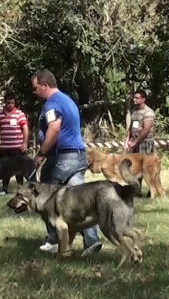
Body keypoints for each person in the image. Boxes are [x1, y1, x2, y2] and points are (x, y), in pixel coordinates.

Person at [31, 69, 103, 256]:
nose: (35, 92)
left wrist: (41, 153)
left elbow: (54, 128)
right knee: (81, 200)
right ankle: (92, 241)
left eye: (36, 88)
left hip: (61, 158)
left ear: (45, 85)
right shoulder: (68, 100)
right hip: (79, 156)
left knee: (43, 195)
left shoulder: (52, 104)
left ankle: (54, 239)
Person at [0, 93, 29, 195]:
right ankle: (4, 189)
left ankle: (21, 189)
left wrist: (24, 143)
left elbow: (25, 129)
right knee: (4, 170)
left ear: (15, 103)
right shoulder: (0, 115)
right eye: (8, 103)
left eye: (12, 103)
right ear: (5, 103)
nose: (10, 105)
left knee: (19, 170)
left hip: (17, 147)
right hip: (5, 148)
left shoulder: (20, 114)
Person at [123, 89, 156, 196]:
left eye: (137, 98)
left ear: (143, 99)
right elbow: (131, 128)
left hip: (145, 144)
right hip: (135, 144)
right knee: (135, 168)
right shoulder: (134, 111)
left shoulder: (148, 112)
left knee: (148, 169)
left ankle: (153, 191)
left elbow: (146, 129)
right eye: (134, 97)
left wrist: (136, 142)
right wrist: (127, 141)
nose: (134, 100)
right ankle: (137, 190)